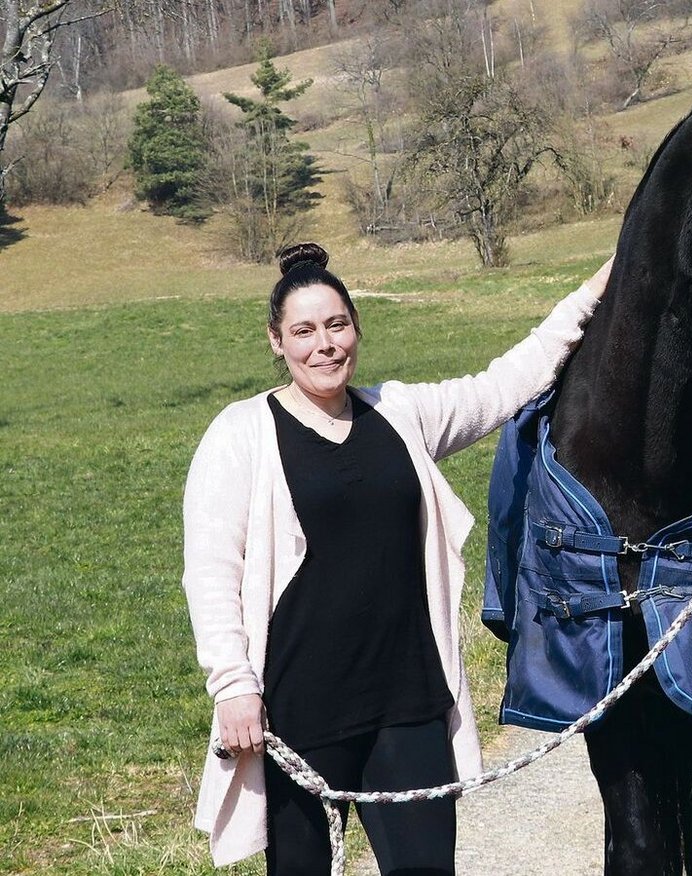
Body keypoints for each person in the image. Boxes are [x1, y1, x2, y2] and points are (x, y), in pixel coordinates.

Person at [181, 242, 610, 873]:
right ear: (276, 341)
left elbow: (503, 384)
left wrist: (595, 292)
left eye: (337, 325)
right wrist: (233, 686)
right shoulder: (241, 433)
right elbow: (213, 570)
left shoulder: (399, 413)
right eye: (303, 331)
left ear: (356, 327)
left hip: (407, 703)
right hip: (299, 711)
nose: (324, 345)